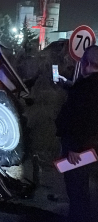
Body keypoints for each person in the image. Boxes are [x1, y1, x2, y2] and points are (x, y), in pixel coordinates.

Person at [55, 45, 98, 222]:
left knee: (77, 190)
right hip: (89, 146)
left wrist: (75, 148)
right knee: (84, 191)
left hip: (79, 150)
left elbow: (83, 118)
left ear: (87, 63)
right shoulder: (88, 85)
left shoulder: (87, 87)